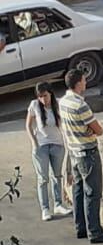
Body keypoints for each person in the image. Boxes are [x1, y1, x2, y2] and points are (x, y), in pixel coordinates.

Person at [58, 69, 103, 244]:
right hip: (87, 152)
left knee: (78, 191)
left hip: (74, 152)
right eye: (84, 80)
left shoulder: (63, 102)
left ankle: (81, 227)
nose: (85, 82)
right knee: (92, 193)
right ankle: (95, 231)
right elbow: (98, 129)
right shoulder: (81, 105)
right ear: (78, 84)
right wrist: (91, 129)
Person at [25, 82, 72, 221]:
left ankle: (58, 204)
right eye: (40, 97)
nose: (43, 100)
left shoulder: (58, 104)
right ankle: (45, 208)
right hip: (41, 145)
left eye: (45, 96)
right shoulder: (34, 105)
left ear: (50, 94)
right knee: (43, 178)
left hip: (57, 144)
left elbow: (64, 124)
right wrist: (34, 142)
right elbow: (28, 125)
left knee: (57, 175)